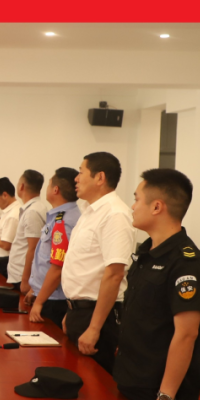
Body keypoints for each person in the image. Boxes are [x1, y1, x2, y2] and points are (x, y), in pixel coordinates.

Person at [112, 169, 200, 400]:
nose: (132, 206)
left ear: (157, 206)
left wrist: (166, 397)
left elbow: (187, 334)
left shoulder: (186, 263)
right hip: (131, 378)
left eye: (137, 199)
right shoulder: (147, 251)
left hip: (157, 390)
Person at [61, 151, 135, 374]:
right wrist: (71, 310)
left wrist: (94, 328)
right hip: (80, 312)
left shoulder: (115, 215)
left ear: (100, 177)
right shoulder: (89, 212)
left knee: (93, 386)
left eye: (81, 172)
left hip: (99, 317)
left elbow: (114, 274)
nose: (76, 178)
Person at [25, 168, 82, 325]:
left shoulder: (63, 221)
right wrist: (35, 289)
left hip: (53, 300)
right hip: (46, 294)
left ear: (55, 190)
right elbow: (44, 260)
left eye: (49, 184)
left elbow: (57, 268)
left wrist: (39, 301)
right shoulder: (58, 216)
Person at [5, 169, 49, 288]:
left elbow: (33, 248)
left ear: (21, 186)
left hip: (22, 276)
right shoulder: (32, 208)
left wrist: (25, 280)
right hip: (18, 274)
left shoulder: (32, 212)